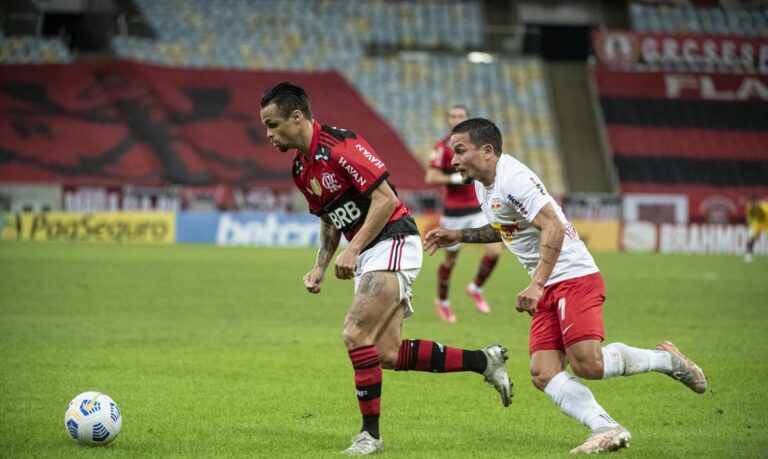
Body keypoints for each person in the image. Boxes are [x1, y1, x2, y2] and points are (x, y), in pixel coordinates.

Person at [424, 118, 708, 454]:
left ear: (486, 151)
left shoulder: (514, 177)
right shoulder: (484, 183)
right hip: (546, 283)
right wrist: (458, 235)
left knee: (589, 365)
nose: (452, 160)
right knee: (543, 373)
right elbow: (506, 227)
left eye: (460, 151)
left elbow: (553, 227)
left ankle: (666, 361)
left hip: (572, 277)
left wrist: (536, 285)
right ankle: (606, 427)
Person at [259, 84, 513, 455]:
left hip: (393, 239)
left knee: (354, 332)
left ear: (296, 117)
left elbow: (386, 200)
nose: (268, 134)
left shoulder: (342, 146)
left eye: (273, 124)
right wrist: (320, 266)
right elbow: (331, 219)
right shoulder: (301, 168)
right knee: (387, 353)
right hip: (370, 251)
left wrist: (355, 247)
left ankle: (370, 437)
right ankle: (484, 361)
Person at [425, 104, 502, 323]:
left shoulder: (476, 146)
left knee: (495, 251)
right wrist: (453, 179)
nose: (456, 118)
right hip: (453, 213)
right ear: (449, 119)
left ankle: (475, 287)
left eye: (460, 116)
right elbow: (430, 177)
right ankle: (443, 302)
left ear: (467, 119)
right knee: (450, 261)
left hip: (477, 209)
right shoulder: (441, 148)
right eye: (453, 116)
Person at [744, 194, 768, 263]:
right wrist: (749, 223)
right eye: (754, 202)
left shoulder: (764, 206)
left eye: (756, 202)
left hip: (766, 223)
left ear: (759, 201)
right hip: (757, 223)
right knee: (751, 238)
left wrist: (759, 208)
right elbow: (749, 216)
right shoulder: (749, 206)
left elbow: (765, 215)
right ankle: (749, 255)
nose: (755, 203)